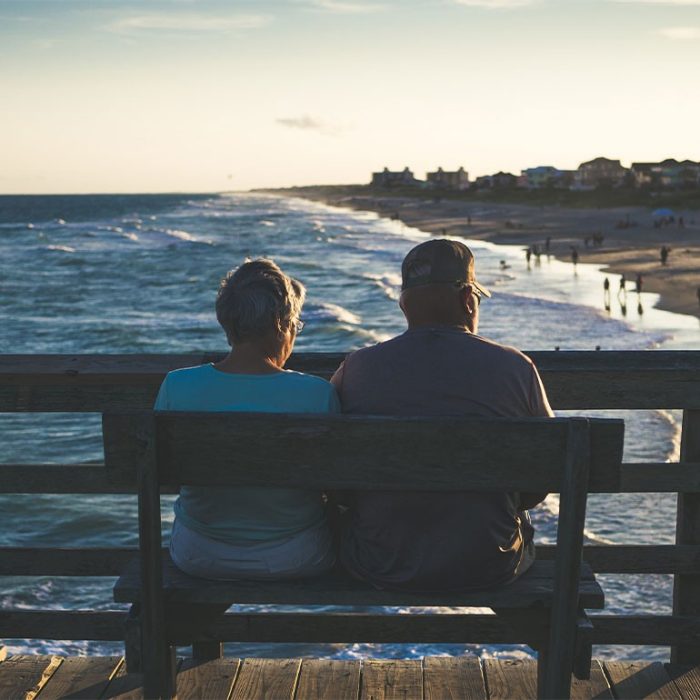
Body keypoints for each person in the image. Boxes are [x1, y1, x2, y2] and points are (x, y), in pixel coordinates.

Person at [331, 239, 553, 592]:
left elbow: (333, 473)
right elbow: (546, 471)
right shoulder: (516, 368)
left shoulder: (356, 368)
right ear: (468, 299)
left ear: (404, 305)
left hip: (380, 562)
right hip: (489, 563)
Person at [155, 259, 339, 580]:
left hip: (198, 554)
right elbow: (337, 485)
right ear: (281, 323)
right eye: (296, 325)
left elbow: (165, 476)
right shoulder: (316, 394)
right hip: (296, 556)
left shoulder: (176, 385)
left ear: (227, 323)